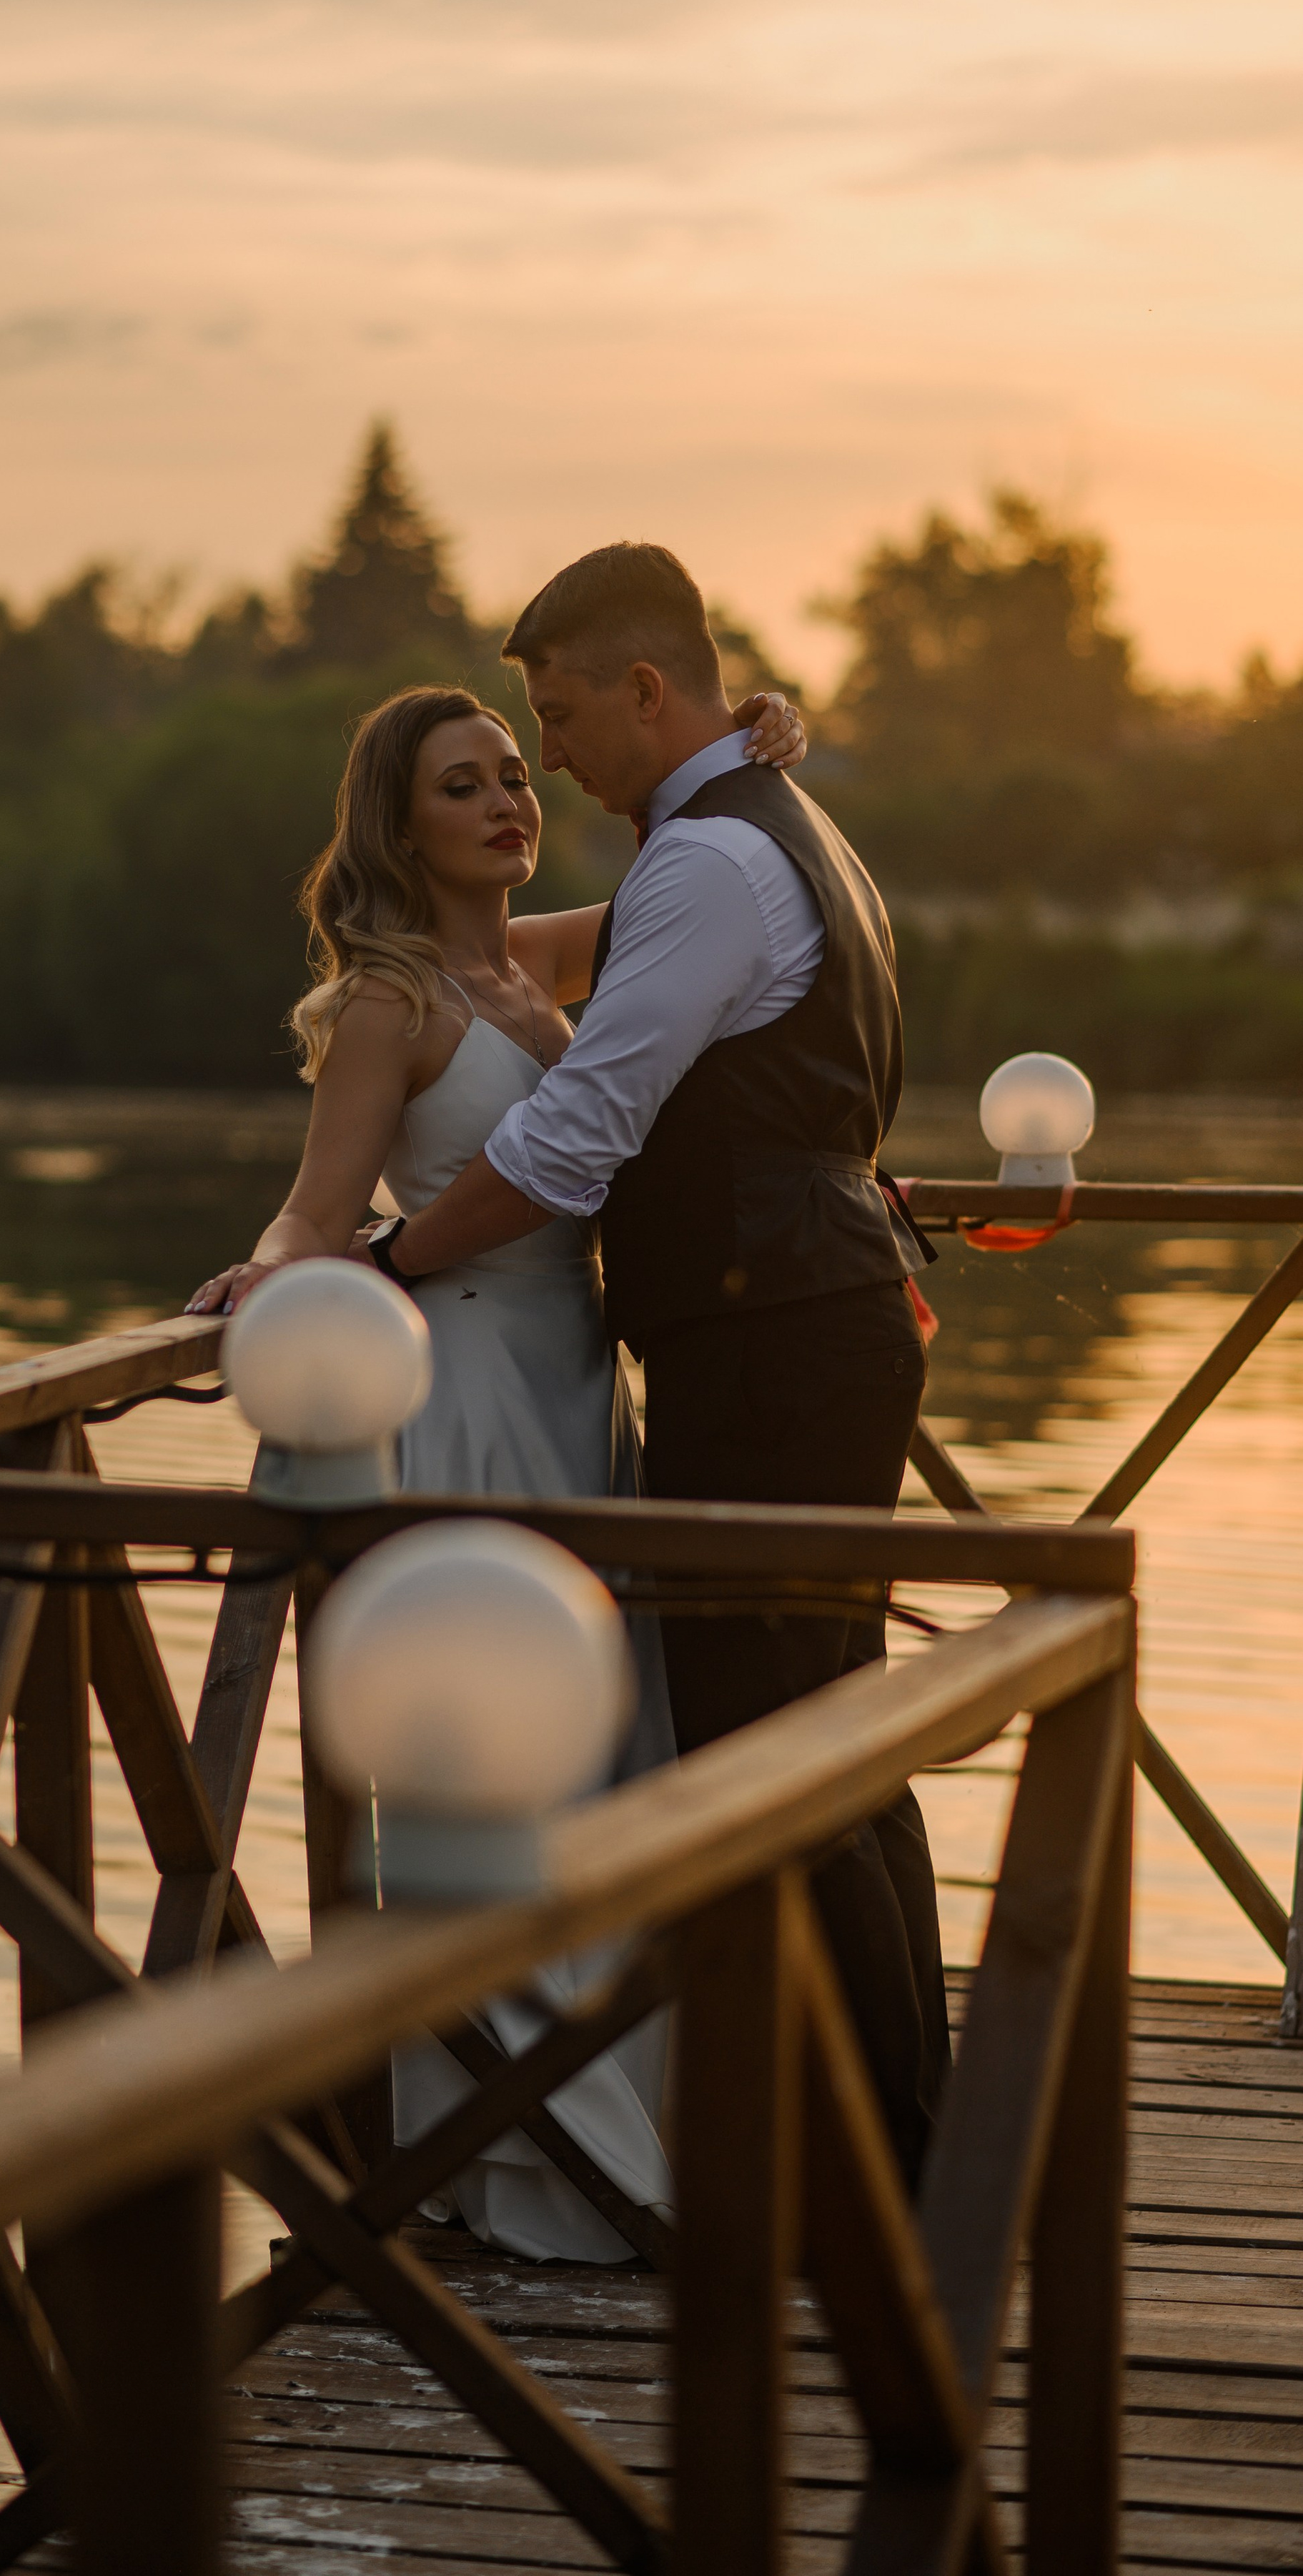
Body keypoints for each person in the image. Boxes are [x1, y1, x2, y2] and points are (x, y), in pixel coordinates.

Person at [189, 673, 808, 2259]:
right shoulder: (389, 998)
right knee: (493, 1766)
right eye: (462, 786)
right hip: (459, 1390)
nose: (507, 803)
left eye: (515, 777)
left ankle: (588, 2157)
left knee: (608, 1753)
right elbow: (319, 1208)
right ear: (399, 824)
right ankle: (510, 2169)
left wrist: (752, 748)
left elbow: (705, 875)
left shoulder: (534, 959)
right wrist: (267, 1275)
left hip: (579, 1391)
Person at [365, 544, 949, 2187]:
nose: (545, 757)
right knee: (815, 1734)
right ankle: (888, 2148)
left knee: (770, 1748)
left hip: (771, 1333)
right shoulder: (775, 831)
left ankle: (861, 2173)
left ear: (644, 689)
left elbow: (573, 1138)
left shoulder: (705, 862)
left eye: (554, 717)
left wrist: (383, 1260)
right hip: (802, 1314)